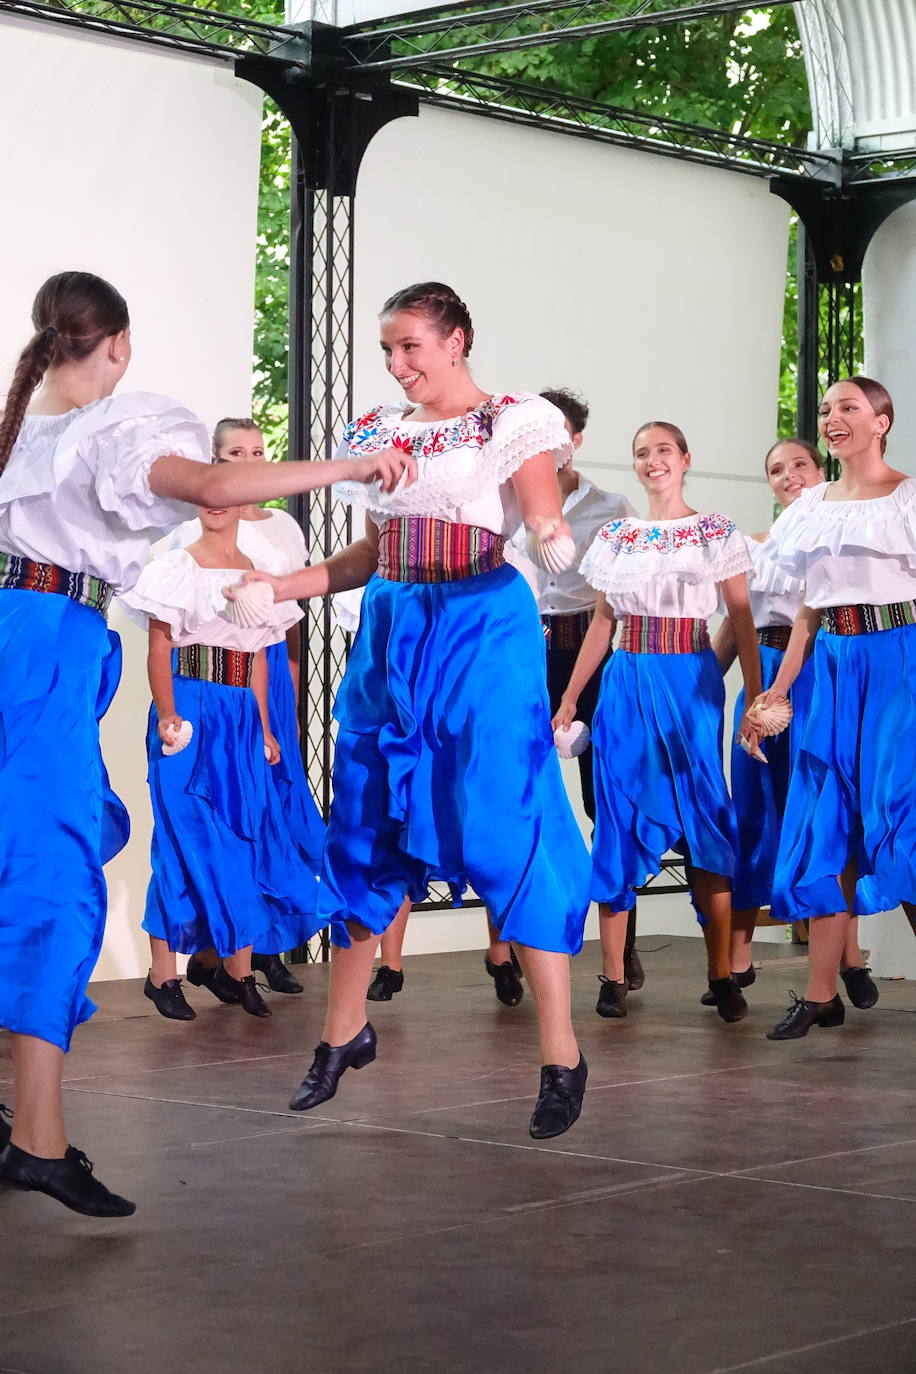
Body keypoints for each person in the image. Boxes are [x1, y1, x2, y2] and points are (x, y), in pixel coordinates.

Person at [0, 270, 414, 1217]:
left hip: (14, 631)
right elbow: (214, 485)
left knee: (20, 865)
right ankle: (37, 1139)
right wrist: (346, 469)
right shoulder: (111, 424)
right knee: (48, 876)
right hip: (42, 644)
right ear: (120, 342)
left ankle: (29, 1126)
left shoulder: (21, 426)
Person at [236, 282, 592, 1139]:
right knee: (363, 824)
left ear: (458, 340)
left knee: (504, 825)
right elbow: (371, 551)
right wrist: (285, 585)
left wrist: (549, 534)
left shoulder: (513, 417)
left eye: (412, 348)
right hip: (395, 625)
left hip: (482, 624)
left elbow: (541, 505)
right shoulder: (380, 428)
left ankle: (561, 1052)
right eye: (388, 351)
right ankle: (342, 1033)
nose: (398, 366)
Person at [555, 421, 761, 1022]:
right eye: (642, 453)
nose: (652, 461)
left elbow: (742, 618)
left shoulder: (714, 530)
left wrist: (753, 691)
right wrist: (570, 698)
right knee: (616, 813)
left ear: (685, 459)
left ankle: (722, 975)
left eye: (663, 451)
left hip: (690, 679)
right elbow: (601, 622)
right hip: (626, 679)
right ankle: (613, 975)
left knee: (706, 816)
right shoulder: (618, 534)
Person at [756, 378, 916, 1040]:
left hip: (899, 659)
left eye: (848, 407)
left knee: (896, 817)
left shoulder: (908, 498)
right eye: (826, 409)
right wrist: (779, 689)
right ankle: (821, 992)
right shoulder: (811, 507)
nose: (833, 417)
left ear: (882, 421)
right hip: (833, 662)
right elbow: (806, 614)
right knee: (827, 820)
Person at [122, 501, 313, 1021]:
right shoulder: (175, 569)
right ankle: (164, 973)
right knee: (182, 840)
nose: (218, 504)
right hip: (188, 707)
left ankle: (234, 969)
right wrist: (166, 714)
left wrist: (267, 729)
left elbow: (254, 660)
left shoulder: (257, 574)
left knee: (241, 835)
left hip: (238, 713)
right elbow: (159, 648)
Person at [711, 439, 877, 1010]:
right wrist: (702, 693)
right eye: (776, 469)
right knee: (754, 815)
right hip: (761, 687)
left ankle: (848, 955)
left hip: (820, 677)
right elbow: (733, 633)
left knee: (830, 817)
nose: (789, 475)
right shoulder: (750, 549)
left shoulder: (842, 539)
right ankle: (738, 958)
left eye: (799, 464)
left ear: (821, 469)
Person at [173, 417, 326, 994]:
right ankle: (223, 946)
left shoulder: (284, 526)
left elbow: (286, 614)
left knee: (276, 799)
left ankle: (268, 943)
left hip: (272, 677)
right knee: (231, 804)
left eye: (259, 451)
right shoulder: (196, 527)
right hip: (215, 681)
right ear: (215, 462)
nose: (249, 460)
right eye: (235, 452)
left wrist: (286, 676)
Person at [525, 388, 644, 991]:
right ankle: (516, 946)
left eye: (558, 434)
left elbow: (611, 606)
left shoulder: (612, 506)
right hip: (524, 652)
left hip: (589, 653)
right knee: (522, 795)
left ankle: (619, 946)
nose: (546, 445)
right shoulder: (504, 500)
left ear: (574, 440)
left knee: (604, 797)